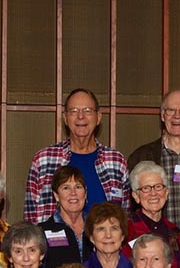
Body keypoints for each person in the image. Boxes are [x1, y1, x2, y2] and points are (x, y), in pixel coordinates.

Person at [25, 88, 129, 223]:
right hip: (52, 243)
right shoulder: (44, 160)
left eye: (87, 111)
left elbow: (125, 217)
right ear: (65, 118)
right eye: (74, 111)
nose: (81, 116)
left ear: (98, 117)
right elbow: (30, 218)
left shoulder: (116, 162)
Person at [127, 90, 180, 225]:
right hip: (154, 240)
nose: (177, 116)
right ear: (163, 115)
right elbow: (129, 208)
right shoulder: (140, 157)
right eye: (171, 110)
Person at [124, 161, 180, 268]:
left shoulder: (176, 233)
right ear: (136, 196)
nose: (153, 193)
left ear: (166, 193)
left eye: (158, 187)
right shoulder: (127, 231)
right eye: (146, 188)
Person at [37, 166, 94, 268]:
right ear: (56, 196)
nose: (73, 193)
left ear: (85, 193)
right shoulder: (41, 231)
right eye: (66, 188)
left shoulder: (96, 226)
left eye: (78, 187)